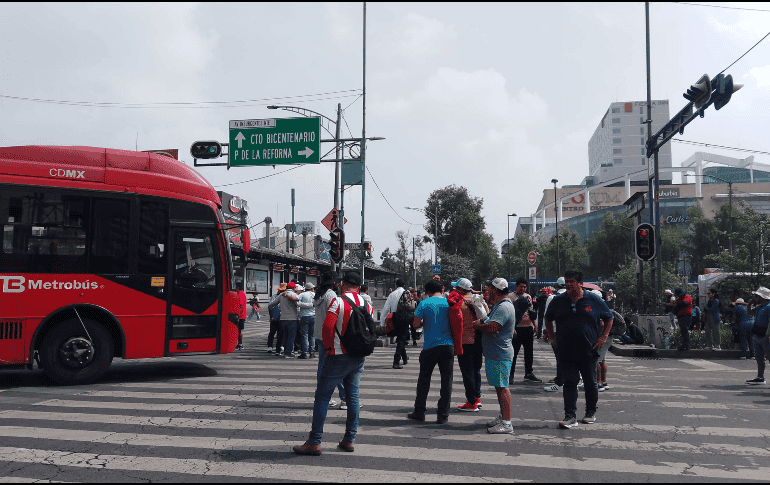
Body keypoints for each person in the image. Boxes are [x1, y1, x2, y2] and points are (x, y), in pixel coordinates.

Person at [293, 271, 372, 456]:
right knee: (353, 397)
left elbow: (328, 326)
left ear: (343, 285)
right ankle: (349, 439)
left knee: (322, 397)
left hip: (337, 355)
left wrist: (328, 349)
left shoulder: (338, 301)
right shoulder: (367, 304)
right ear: (359, 288)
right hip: (358, 357)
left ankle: (314, 441)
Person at [544, 270, 613, 429]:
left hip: (588, 350)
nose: (568, 284)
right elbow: (548, 318)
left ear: (580, 283)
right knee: (569, 382)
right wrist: (552, 337)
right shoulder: (558, 300)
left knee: (590, 383)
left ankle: (590, 413)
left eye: (572, 281)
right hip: (566, 350)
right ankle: (570, 416)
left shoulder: (593, 300)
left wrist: (603, 338)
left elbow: (609, 318)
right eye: (567, 281)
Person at [407, 279, 460, 425]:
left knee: (424, 380)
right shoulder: (448, 303)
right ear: (442, 290)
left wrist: (426, 321)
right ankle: (442, 415)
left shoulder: (424, 303)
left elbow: (416, 324)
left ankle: (419, 412)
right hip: (448, 346)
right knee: (446, 381)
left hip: (430, 347)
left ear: (426, 292)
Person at [473, 277, 517, 434]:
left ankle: (506, 423)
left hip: (500, 353)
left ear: (496, 290)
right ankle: (503, 416)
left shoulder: (503, 307)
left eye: (490, 288)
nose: (488, 290)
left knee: (503, 388)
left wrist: (479, 325)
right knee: (500, 388)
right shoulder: (500, 305)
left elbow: (492, 328)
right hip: (496, 352)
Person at [455, 278, 488, 412]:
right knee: (476, 370)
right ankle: (477, 397)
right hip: (478, 340)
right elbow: (486, 315)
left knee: (467, 372)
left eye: (457, 288)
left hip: (465, 342)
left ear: (461, 290)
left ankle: (471, 402)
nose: (455, 291)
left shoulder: (458, 303)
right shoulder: (480, 300)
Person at [314, 271, 345, 408]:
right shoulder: (331, 295)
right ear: (332, 283)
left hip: (319, 334)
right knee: (337, 368)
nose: (338, 284)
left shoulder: (318, 294)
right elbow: (334, 315)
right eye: (337, 281)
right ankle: (345, 398)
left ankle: (322, 396)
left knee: (323, 367)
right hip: (330, 335)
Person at [510, 278, 541, 384]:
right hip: (516, 328)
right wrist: (511, 328)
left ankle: (528, 373)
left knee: (529, 353)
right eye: (521, 286)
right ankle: (510, 375)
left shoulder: (528, 297)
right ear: (516, 286)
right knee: (513, 353)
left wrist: (534, 325)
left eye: (524, 287)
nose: (523, 289)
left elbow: (530, 311)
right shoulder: (511, 297)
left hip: (528, 328)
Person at [543, 278, 568, 392]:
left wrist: (546, 331)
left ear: (557, 286)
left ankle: (560, 383)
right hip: (573, 331)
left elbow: (547, 316)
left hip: (556, 331)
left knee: (559, 358)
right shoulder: (574, 296)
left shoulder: (552, 297)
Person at [382, 279, 410, 368]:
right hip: (404, 317)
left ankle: (405, 358)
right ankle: (396, 361)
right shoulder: (407, 293)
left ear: (396, 285)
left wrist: (382, 322)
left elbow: (386, 308)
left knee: (400, 338)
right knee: (402, 339)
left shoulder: (392, 294)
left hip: (394, 317)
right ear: (404, 285)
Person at [268, 281, 300, 358]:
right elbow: (298, 305)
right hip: (292, 318)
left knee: (285, 336)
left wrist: (272, 314)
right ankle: (288, 353)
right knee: (291, 336)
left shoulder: (281, 295)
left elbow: (271, 304)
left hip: (283, 318)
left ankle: (285, 351)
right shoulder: (294, 295)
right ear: (293, 288)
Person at [746, 286, 770, 385]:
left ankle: (761, 376)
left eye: (757, 295)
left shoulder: (768, 307)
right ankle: (760, 376)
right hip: (758, 334)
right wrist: (749, 304)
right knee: (759, 357)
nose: (756, 297)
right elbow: (749, 313)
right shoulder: (760, 307)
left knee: (768, 357)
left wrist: (768, 334)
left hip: (765, 335)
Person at [297, 282, 316, 359]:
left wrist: (305, 305)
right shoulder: (315, 295)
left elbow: (297, 303)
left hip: (304, 316)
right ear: (312, 288)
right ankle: (312, 353)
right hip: (314, 316)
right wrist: (311, 305)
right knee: (312, 335)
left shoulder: (302, 295)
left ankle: (304, 353)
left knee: (305, 335)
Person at [266, 284, 286, 353]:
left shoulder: (286, 297)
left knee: (281, 333)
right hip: (274, 317)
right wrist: (271, 316)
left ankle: (281, 346)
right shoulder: (274, 297)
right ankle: (270, 346)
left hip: (282, 317)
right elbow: (270, 306)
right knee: (272, 332)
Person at [236, 285, 248, 350]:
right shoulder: (242, 294)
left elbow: (239, 305)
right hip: (241, 315)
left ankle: (240, 344)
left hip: (240, 316)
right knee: (238, 330)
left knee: (239, 331)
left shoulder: (240, 294)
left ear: (238, 288)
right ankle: (239, 344)